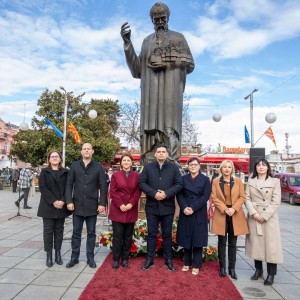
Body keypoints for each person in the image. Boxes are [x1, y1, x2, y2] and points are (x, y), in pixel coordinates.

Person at [121, 2, 194, 162]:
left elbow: (189, 64)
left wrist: (167, 64)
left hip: (170, 91)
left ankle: (171, 160)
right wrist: (128, 44)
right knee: (150, 129)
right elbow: (137, 70)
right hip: (151, 96)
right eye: (156, 20)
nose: (160, 22)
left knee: (169, 129)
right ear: (152, 20)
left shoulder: (178, 38)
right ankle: (150, 156)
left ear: (168, 17)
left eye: (163, 18)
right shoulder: (147, 41)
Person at [138, 144, 183, 271]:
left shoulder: (174, 168)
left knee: (167, 234)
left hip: (168, 207)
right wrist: (154, 193)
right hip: (152, 206)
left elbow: (179, 184)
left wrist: (166, 193)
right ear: (155, 154)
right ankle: (149, 259)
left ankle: (168, 259)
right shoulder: (148, 167)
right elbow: (141, 182)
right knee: (151, 234)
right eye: (159, 152)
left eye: (164, 151)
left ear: (167, 154)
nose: (161, 153)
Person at [65, 143, 107, 269]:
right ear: (81, 152)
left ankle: (90, 258)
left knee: (91, 233)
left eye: (89, 149)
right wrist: (69, 201)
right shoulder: (74, 165)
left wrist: (102, 203)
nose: (86, 151)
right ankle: (74, 257)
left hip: (92, 206)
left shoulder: (98, 167)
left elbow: (103, 187)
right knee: (76, 233)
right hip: (76, 205)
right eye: (84, 149)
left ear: (92, 151)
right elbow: (69, 184)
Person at [245, 158, 283, 286]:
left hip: (269, 218)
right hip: (254, 216)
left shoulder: (275, 181)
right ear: (255, 168)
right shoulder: (251, 181)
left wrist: (265, 216)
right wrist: (254, 213)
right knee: (257, 245)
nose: (261, 167)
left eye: (264, 165)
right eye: (258, 165)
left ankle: (271, 274)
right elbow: (247, 198)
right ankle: (258, 270)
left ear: (268, 168)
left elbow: (276, 201)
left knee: (272, 247)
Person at [211, 160, 249, 279]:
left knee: (233, 243)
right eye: (224, 167)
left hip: (235, 213)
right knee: (221, 242)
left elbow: (242, 196)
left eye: (229, 167)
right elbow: (214, 196)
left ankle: (231, 268)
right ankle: (222, 267)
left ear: (232, 169)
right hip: (222, 213)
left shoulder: (238, 181)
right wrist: (224, 208)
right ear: (221, 169)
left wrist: (234, 209)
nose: (227, 169)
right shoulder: (216, 181)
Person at [176, 157, 211, 275]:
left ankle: (196, 264)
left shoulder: (205, 179)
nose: (193, 166)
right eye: (191, 165)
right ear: (188, 166)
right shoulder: (182, 178)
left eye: (195, 164)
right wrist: (184, 207)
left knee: (197, 237)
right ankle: (186, 262)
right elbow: (179, 195)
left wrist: (193, 208)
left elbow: (205, 196)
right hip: (185, 209)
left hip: (198, 211)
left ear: (199, 166)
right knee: (186, 237)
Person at [37, 150, 71, 267]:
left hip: (61, 206)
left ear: (60, 159)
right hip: (48, 206)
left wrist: (62, 200)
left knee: (59, 231)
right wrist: (53, 201)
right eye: (52, 156)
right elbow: (43, 187)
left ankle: (58, 253)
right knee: (48, 231)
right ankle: (49, 255)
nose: (55, 158)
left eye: (57, 156)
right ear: (49, 159)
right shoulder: (44, 172)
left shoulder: (65, 172)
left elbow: (68, 187)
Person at [108, 153, 142, 269]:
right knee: (117, 236)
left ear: (132, 162)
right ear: (121, 163)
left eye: (128, 160)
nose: (126, 162)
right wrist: (121, 204)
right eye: (124, 160)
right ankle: (116, 259)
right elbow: (113, 191)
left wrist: (130, 204)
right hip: (118, 209)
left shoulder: (137, 176)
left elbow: (138, 192)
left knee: (128, 236)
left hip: (130, 209)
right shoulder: (115, 175)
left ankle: (125, 259)